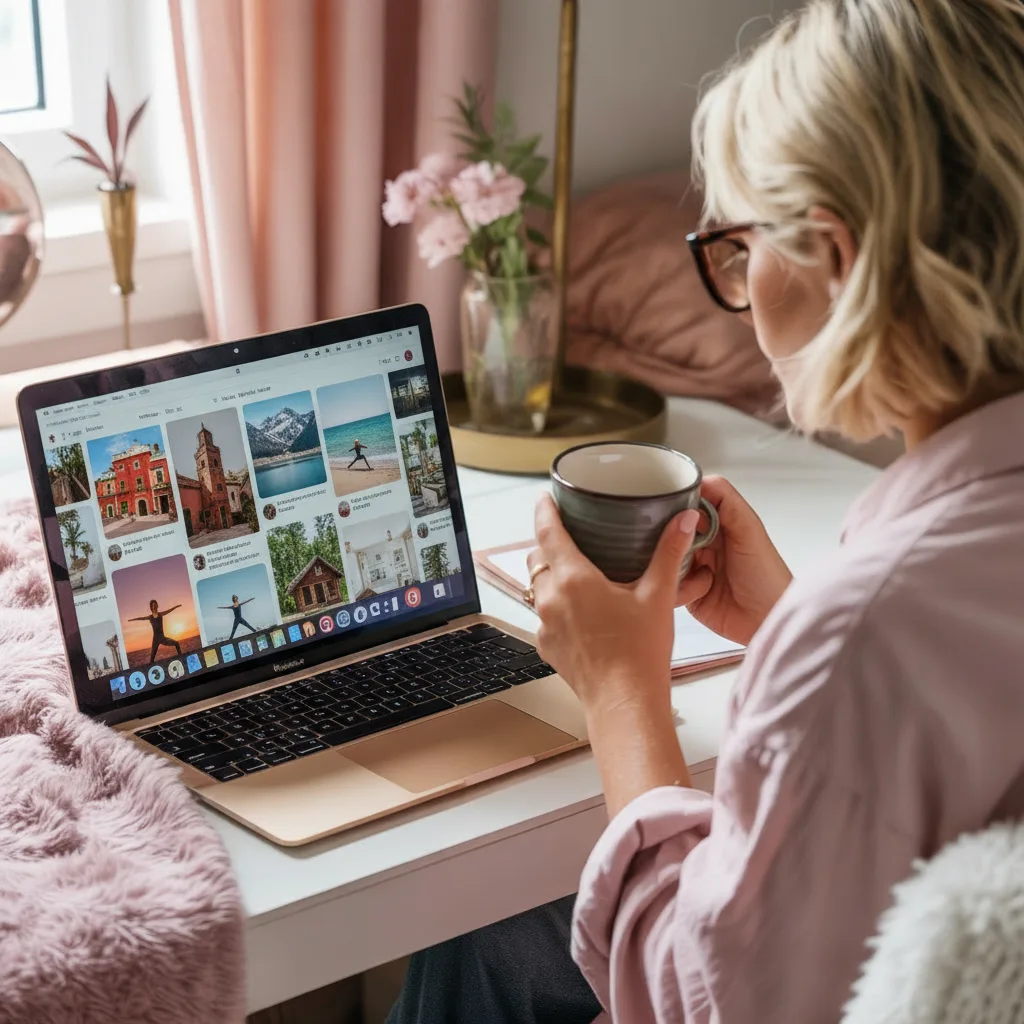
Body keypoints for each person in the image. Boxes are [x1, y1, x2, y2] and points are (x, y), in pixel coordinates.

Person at [386, 2, 1024, 1022]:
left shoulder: (863, 635)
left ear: (833, 259)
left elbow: (698, 1001)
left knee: (473, 921)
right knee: (495, 920)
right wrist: (789, 622)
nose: (733, 281)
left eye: (734, 247)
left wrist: (619, 689)